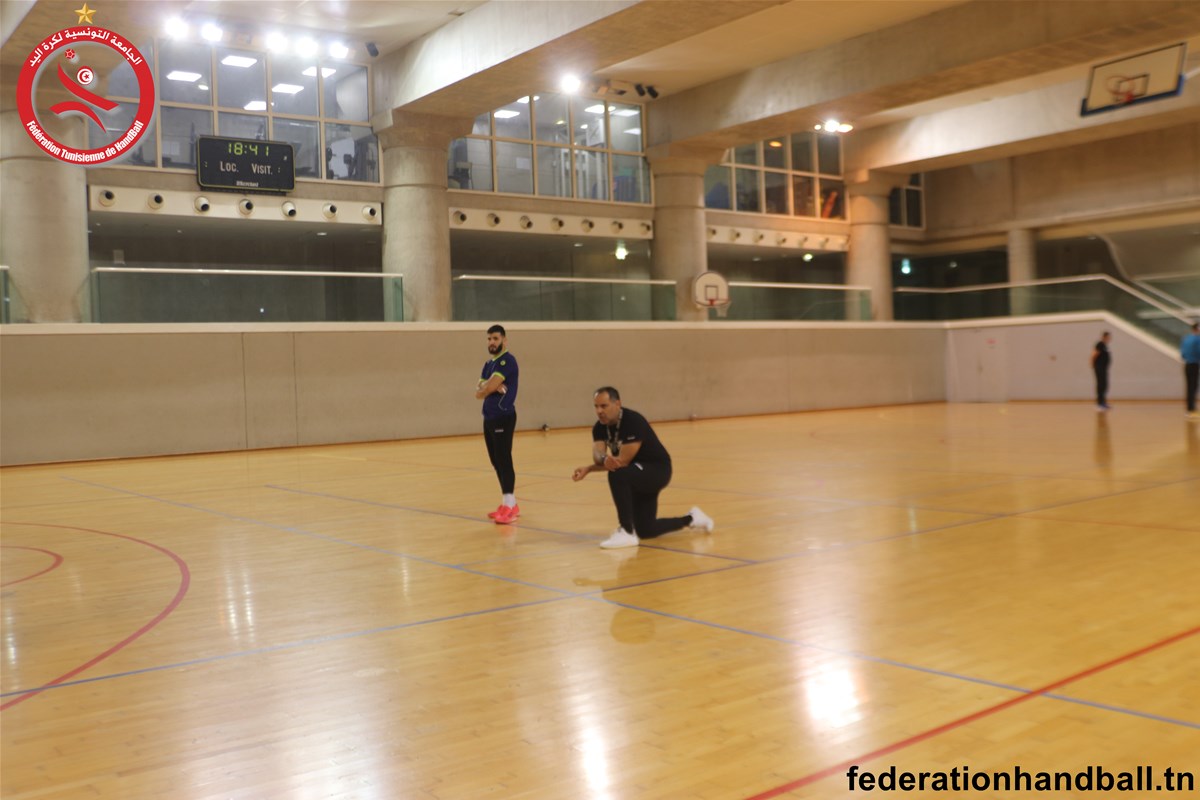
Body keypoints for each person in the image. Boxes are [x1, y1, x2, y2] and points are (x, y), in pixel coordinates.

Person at [571, 386, 713, 548]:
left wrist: (599, 465)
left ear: (617, 404)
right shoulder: (599, 427)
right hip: (637, 473)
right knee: (646, 529)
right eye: (596, 406)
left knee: (618, 475)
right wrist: (592, 467)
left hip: (657, 470)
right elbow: (598, 455)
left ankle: (626, 532)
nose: (599, 411)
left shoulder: (633, 421)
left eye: (604, 406)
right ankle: (692, 518)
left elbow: (621, 462)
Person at [476, 324, 519, 523]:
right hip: (489, 417)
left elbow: (486, 388)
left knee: (504, 459)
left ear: (504, 340)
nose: (491, 342)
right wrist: (488, 387)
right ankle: (510, 503)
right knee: (495, 461)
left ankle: (510, 506)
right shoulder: (488, 364)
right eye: (489, 339)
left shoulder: (507, 361)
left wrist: (487, 387)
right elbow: (479, 391)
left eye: (495, 338)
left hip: (503, 416)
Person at [1183, 322, 1200, 419]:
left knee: (1189, 387)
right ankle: (1192, 409)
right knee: (1193, 387)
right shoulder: (1197, 339)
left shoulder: (1186, 338)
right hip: (1194, 364)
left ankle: (1189, 409)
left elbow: (1183, 353)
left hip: (1187, 365)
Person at [1091, 331, 1112, 411]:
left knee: (1104, 385)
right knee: (1100, 385)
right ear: (1104, 337)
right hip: (1099, 368)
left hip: (1104, 368)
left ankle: (1103, 402)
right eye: (1108, 337)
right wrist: (1093, 364)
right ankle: (1099, 404)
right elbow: (1094, 354)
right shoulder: (1100, 344)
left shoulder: (1105, 346)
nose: (1109, 339)